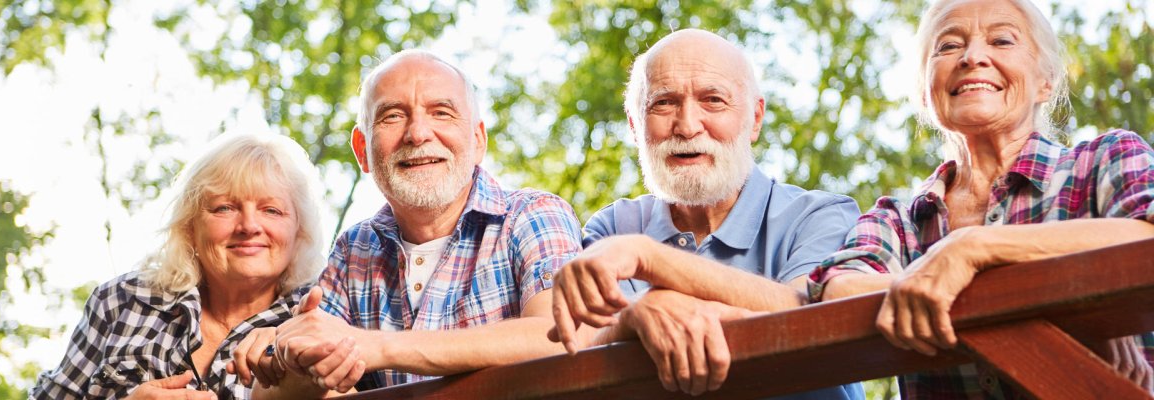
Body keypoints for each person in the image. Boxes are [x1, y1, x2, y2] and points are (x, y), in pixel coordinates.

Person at [807, 0, 1154, 397]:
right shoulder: (897, 221)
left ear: (1047, 81)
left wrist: (973, 248)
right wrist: (1078, 306)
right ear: (924, 93)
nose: (972, 56)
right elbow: (838, 290)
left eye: (1002, 40)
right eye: (948, 46)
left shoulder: (1107, 159)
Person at [236, 49, 584, 398]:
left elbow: (563, 335)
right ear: (362, 150)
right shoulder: (353, 249)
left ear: (478, 140)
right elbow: (273, 392)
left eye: (441, 113)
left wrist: (376, 347)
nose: (417, 133)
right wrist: (293, 358)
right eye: (392, 116)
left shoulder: (533, 215)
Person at [547, 29, 864, 399]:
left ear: (755, 118)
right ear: (635, 126)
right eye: (663, 103)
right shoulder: (612, 227)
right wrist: (634, 315)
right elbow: (582, 344)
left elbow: (810, 318)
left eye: (713, 100)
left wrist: (648, 259)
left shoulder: (821, 214)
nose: (687, 126)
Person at [31, 132, 328, 399]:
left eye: (272, 210)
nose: (249, 225)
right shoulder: (120, 301)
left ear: (299, 231)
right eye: (224, 207)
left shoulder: (320, 321)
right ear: (189, 226)